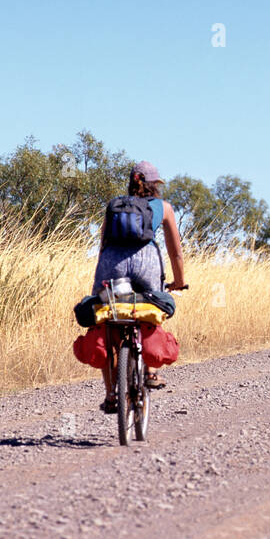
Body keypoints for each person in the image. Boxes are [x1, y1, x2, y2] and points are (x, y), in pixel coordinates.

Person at [79, 161, 188, 411]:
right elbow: (175, 253)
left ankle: (111, 395)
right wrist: (179, 282)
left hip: (111, 263)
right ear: (154, 185)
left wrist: (102, 278)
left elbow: (103, 244)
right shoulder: (164, 208)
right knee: (151, 307)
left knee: (108, 320)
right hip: (148, 264)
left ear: (132, 182)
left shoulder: (114, 206)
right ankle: (150, 371)